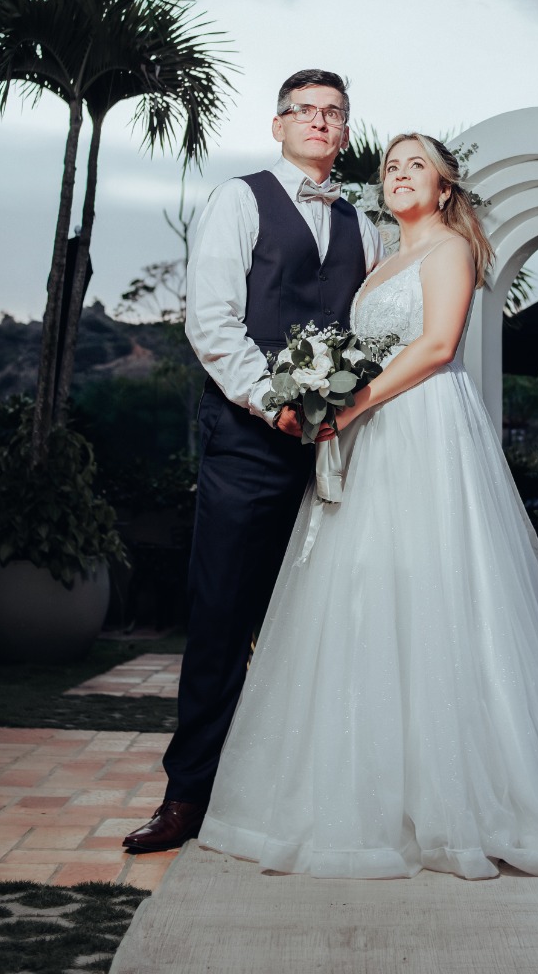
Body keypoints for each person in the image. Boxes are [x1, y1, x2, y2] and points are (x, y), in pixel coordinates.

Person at [198, 132, 538, 879]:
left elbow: (437, 346)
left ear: (446, 188)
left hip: (421, 427)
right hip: (375, 433)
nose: (399, 175)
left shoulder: (449, 248)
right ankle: (369, 789)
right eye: (391, 165)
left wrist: (346, 410)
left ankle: (463, 798)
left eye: (417, 165)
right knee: (366, 598)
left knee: (436, 595)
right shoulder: (381, 257)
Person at [123, 70, 383, 854]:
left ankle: (303, 795)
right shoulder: (240, 200)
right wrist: (274, 403)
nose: (321, 122)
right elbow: (212, 321)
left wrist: (341, 410)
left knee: (327, 625)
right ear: (279, 125)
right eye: (306, 110)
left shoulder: (365, 219)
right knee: (222, 620)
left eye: (334, 113)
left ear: (345, 131)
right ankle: (188, 797)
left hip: (340, 450)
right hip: (248, 444)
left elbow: (367, 325)